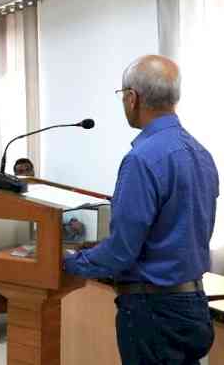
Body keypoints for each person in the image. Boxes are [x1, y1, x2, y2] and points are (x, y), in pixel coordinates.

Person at [64, 55, 218, 364]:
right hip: (194, 304)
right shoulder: (203, 154)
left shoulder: (142, 159)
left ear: (133, 98)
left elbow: (122, 251)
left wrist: (68, 262)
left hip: (153, 311)